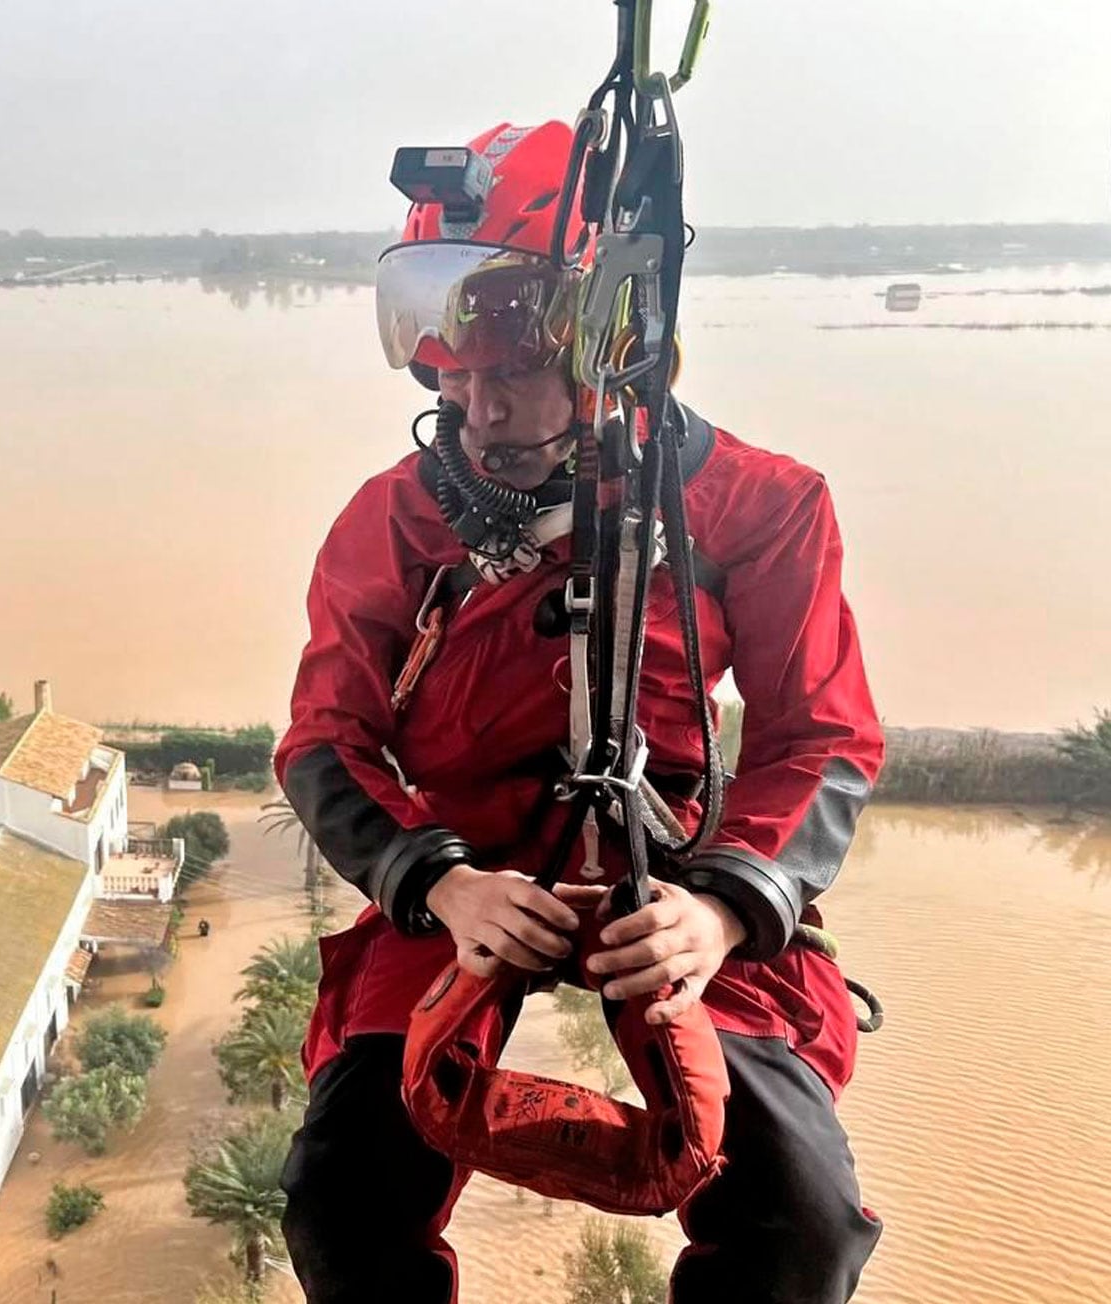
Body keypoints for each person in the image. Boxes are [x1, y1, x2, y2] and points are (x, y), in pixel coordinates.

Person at [274, 119, 884, 1304]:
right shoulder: (392, 521)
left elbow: (823, 738)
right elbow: (324, 738)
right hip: (465, 880)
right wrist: (441, 884)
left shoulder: (757, 506)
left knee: (798, 1222)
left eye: (509, 374)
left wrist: (719, 911)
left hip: (674, 877)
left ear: (613, 351)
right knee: (341, 1200)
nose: (476, 411)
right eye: (452, 378)